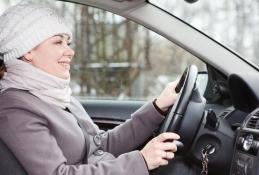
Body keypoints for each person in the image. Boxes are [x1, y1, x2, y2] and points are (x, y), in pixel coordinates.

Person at [0, 2, 181, 175]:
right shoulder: (14, 108)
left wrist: (157, 107)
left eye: (68, 43)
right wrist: (141, 161)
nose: (70, 51)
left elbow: (100, 145)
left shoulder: (57, 94)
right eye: (57, 42)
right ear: (27, 51)